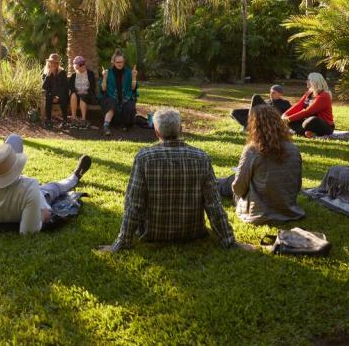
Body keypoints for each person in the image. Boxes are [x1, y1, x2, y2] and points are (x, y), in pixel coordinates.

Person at [99, 108, 252, 252]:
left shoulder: (144, 158)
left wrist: (121, 243)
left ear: (156, 132)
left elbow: (134, 204)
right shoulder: (201, 158)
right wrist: (230, 241)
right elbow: (213, 205)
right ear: (180, 130)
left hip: (152, 233)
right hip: (192, 232)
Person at [0, 134, 92, 234]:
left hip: (14, 196)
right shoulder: (29, 188)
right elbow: (28, 232)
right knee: (55, 187)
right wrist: (41, 217)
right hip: (31, 199)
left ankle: (6, 158)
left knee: (14, 139)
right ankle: (75, 177)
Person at [217, 104, 305, 224]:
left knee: (228, 182)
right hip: (288, 208)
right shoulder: (294, 149)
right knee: (235, 178)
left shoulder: (253, 150)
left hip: (259, 211)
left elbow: (238, 189)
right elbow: (297, 184)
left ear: (254, 125)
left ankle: (213, 184)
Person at [282, 73, 335, 138]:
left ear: (314, 82)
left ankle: (296, 132)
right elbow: (299, 105)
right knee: (293, 120)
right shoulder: (309, 92)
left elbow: (308, 112)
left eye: (308, 80)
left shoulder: (324, 96)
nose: (306, 81)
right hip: (306, 121)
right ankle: (308, 133)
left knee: (312, 120)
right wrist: (285, 114)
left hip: (324, 125)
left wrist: (288, 119)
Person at [99, 49, 139, 135]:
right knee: (112, 103)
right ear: (113, 62)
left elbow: (133, 89)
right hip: (110, 96)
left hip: (125, 97)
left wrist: (134, 77)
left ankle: (125, 125)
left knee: (129, 105)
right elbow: (103, 89)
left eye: (121, 62)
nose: (120, 64)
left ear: (124, 61)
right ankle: (106, 126)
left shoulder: (129, 73)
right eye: (117, 62)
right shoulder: (108, 72)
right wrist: (104, 78)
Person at [40, 53, 70, 128]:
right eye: (51, 62)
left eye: (55, 63)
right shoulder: (46, 73)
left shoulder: (62, 72)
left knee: (63, 97)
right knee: (48, 97)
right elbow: (44, 87)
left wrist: (57, 96)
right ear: (49, 63)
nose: (52, 64)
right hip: (51, 95)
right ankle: (48, 120)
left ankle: (65, 121)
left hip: (61, 95)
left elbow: (64, 87)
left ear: (57, 64)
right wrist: (48, 75)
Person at [68, 55, 98, 125]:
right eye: (80, 65)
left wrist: (85, 91)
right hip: (77, 95)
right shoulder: (73, 76)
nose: (82, 66)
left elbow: (92, 87)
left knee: (83, 97)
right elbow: (71, 87)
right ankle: (73, 118)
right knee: (73, 95)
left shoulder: (90, 74)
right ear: (76, 66)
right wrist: (77, 92)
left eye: (83, 64)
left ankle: (83, 120)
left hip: (87, 95)